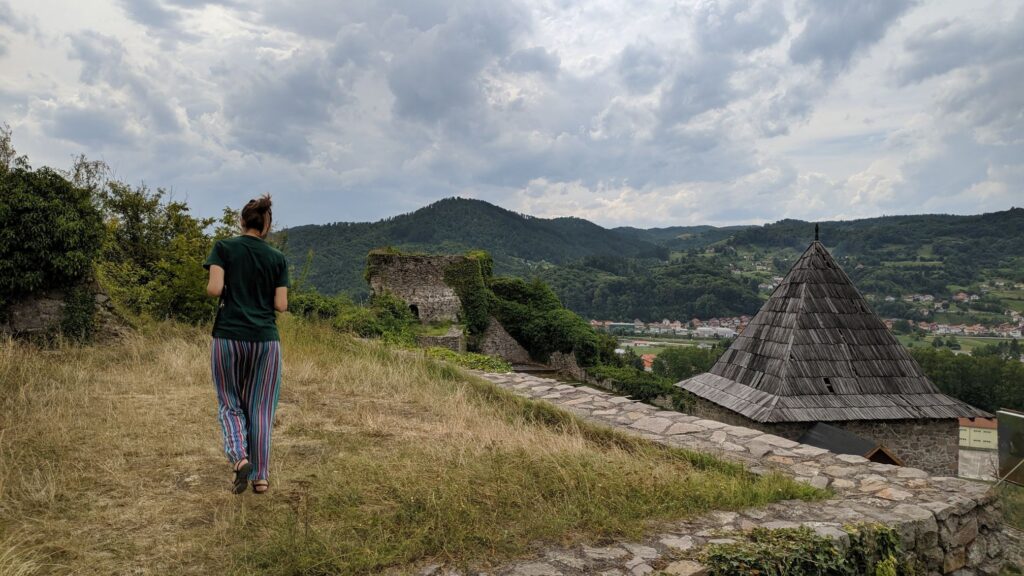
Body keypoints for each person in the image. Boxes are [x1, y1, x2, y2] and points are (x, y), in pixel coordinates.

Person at [203, 194, 289, 494]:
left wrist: (232, 287)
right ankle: (261, 477)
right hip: (265, 340)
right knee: (261, 408)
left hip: (228, 336)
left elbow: (214, 290)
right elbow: (281, 305)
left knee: (230, 402)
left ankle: (240, 458)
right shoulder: (277, 259)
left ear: (242, 222)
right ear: (266, 225)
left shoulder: (224, 248)